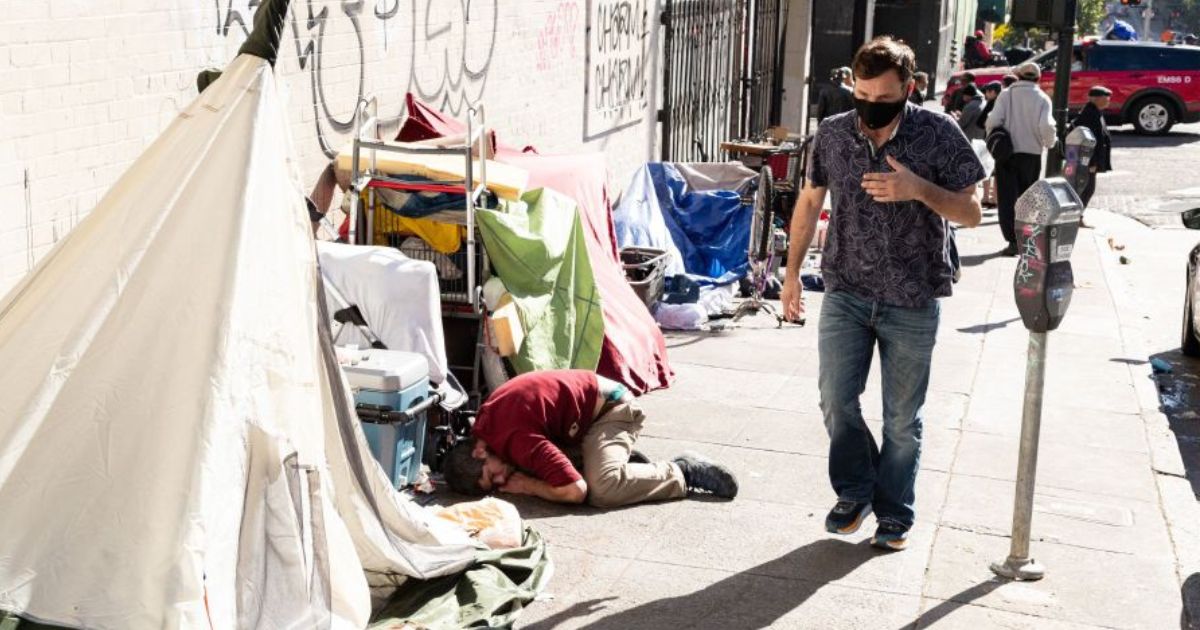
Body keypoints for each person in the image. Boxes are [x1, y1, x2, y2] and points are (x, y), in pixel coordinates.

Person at [779, 37, 985, 551]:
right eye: (862, 93)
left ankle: (894, 513)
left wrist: (920, 189)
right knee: (835, 400)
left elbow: (973, 210)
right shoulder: (831, 134)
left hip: (912, 297)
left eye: (883, 96)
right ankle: (855, 491)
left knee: (901, 419)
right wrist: (789, 276)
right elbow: (808, 203)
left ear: (909, 89)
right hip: (846, 288)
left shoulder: (939, 132)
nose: (870, 105)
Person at [442, 370, 739, 507]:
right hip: (579, 420)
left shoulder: (514, 438)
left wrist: (529, 487)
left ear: (480, 451)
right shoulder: (487, 430)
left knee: (601, 490)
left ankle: (681, 471)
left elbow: (575, 491)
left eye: (493, 476)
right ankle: (617, 463)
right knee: (539, 472)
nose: (502, 482)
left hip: (613, 410)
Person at [986, 61, 1057, 256]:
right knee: (1028, 200)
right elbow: (1047, 127)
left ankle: (1012, 240)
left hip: (1006, 154)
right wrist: (1049, 143)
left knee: (1007, 199)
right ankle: (1026, 240)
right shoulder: (1042, 98)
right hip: (1031, 154)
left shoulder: (1006, 94)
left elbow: (993, 121)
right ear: (1038, 78)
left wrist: (995, 136)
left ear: (1018, 76)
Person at [1070, 86, 1114, 215]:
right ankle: (1077, 217)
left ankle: (1078, 216)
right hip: (1088, 161)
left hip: (1089, 160)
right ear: (1096, 99)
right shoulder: (1090, 114)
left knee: (1087, 189)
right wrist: (1092, 162)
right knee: (1086, 189)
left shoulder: (1095, 111)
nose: (1108, 100)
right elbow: (1089, 141)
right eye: (1106, 98)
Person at [978, 81, 1004, 207]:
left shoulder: (991, 104)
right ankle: (995, 198)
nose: (986, 94)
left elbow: (980, 121)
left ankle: (986, 196)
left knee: (987, 168)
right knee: (998, 169)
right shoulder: (1005, 103)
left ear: (993, 92)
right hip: (1002, 140)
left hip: (989, 139)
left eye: (987, 91)